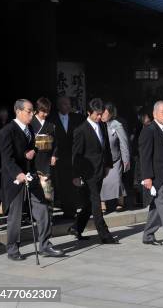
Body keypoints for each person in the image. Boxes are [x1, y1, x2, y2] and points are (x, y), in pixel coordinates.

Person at [0, 99, 65, 260]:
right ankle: (13, 248)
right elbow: (7, 158)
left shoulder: (29, 128)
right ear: (18, 111)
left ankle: (45, 244)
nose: (31, 114)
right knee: (15, 215)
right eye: (28, 111)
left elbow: (33, 147)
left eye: (31, 111)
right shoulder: (7, 131)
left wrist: (32, 152)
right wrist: (18, 173)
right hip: (15, 178)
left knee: (43, 208)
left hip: (32, 174)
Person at [69, 98, 117, 244]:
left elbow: (106, 146)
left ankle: (76, 227)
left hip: (101, 169)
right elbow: (76, 155)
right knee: (96, 203)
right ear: (89, 113)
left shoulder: (102, 126)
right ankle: (105, 235)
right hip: (88, 171)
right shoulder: (81, 130)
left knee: (90, 204)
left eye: (101, 114)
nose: (99, 117)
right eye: (96, 114)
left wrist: (108, 165)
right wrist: (76, 175)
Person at [139, 101, 163, 246]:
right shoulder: (149, 130)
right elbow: (145, 156)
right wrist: (147, 177)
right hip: (156, 176)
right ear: (155, 114)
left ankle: (148, 235)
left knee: (157, 207)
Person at [49, 96, 84, 219]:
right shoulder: (51, 119)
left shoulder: (77, 118)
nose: (67, 106)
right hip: (59, 157)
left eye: (68, 104)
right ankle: (66, 209)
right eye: (64, 104)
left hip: (73, 156)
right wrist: (53, 154)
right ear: (59, 106)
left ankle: (73, 209)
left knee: (74, 183)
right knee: (62, 184)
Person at [100, 102, 130, 213]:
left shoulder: (117, 125)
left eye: (105, 112)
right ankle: (102, 203)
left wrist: (126, 159)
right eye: (101, 112)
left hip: (115, 159)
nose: (102, 115)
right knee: (102, 182)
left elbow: (124, 143)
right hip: (102, 160)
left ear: (111, 113)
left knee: (117, 180)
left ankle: (120, 201)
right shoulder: (97, 124)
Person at [31, 97, 57, 205]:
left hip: (46, 159)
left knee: (47, 187)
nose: (45, 114)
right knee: (33, 187)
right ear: (37, 109)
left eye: (47, 112)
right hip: (34, 158)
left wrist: (54, 155)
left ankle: (49, 213)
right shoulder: (30, 122)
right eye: (43, 111)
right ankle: (31, 214)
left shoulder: (51, 125)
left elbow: (56, 142)